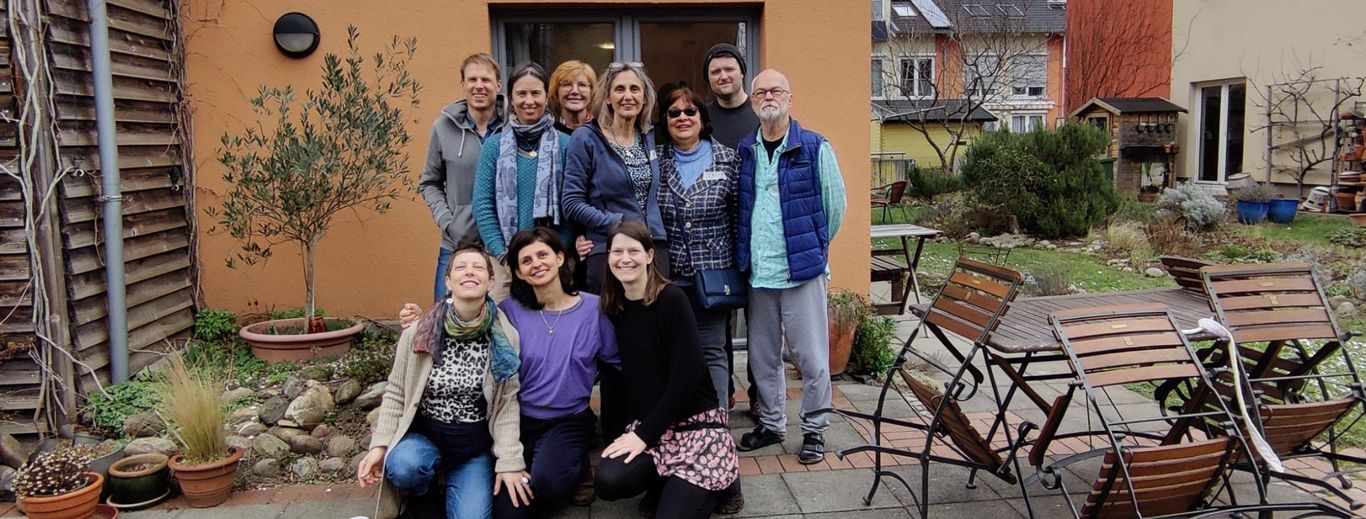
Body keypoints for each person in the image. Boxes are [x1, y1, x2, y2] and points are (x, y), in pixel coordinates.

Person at [357, 244, 527, 519]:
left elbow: (507, 404)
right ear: (448, 281)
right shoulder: (419, 330)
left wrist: (509, 460)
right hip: (424, 439)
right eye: (460, 267)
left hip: (472, 448)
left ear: (490, 281)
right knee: (404, 467)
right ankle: (423, 492)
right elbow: (397, 393)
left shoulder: (505, 338)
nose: (469, 272)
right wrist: (380, 445)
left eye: (478, 267)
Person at [734, 69, 846, 465]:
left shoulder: (815, 147)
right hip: (759, 273)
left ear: (790, 97)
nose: (768, 96)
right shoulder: (746, 150)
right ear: (752, 102)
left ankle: (814, 429)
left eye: (775, 90)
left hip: (801, 272)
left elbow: (835, 209)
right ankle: (772, 423)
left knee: (811, 357)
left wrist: (812, 251)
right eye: (760, 91)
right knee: (763, 357)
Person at [594, 220, 741, 519]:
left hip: (696, 423)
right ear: (608, 257)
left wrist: (644, 435)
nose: (625, 258)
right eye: (617, 251)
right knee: (608, 482)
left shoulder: (671, 299)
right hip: (654, 426)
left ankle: (724, 482)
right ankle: (666, 479)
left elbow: (687, 378)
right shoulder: (614, 306)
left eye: (633, 250)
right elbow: (619, 378)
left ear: (649, 255)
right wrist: (624, 434)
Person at [494, 228, 621, 518]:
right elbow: (467, 317)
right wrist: (419, 319)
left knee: (548, 483)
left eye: (542, 254)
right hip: (518, 420)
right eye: (526, 261)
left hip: (569, 418)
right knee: (508, 508)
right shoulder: (508, 312)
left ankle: (575, 466)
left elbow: (618, 362)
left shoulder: (593, 308)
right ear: (518, 272)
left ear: (560, 257)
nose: (536, 263)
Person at [654, 85, 739, 411]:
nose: (682, 118)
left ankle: (717, 423)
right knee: (669, 352)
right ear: (665, 119)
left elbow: (737, 219)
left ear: (702, 118)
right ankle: (677, 422)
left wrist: (738, 267)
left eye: (690, 111)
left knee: (713, 350)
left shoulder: (728, 160)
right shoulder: (654, 162)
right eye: (674, 112)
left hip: (714, 275)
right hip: (667, 275)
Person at [562, 61, 670, 294]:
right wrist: (617, 223)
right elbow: (571, 203)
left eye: (635, 89)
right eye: (620, 89)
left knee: (653, 325)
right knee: (612, 328)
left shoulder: (649, 137)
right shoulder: (586, 138)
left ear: (644, 98)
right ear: (608, 97)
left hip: (653, 249)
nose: (628, 96)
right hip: (610, 251)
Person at [472, 63, 572, 300]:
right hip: (505, 262)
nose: (529, 101)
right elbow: (482, 205)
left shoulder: (567, 144)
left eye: (536, 93)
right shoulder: (494, 146)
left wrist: (557, 252)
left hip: (554, 261)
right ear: (510, 98)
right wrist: (504, 256)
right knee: (506, 329)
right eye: (522, 94)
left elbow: (573, 203)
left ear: (546, 97)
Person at [420, 53, 507, 302]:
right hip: (457, 244)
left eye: (486, 80)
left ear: (498, 85)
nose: (479, 86)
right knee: (446, 319)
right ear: (463, 85)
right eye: (472, 79)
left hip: (503, 245)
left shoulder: (513, 126)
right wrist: (448, 221)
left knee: (502, 324)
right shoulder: (442, 128)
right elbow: (429, 182)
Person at [702, 44, 760, 150]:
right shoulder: (700, 117)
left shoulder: (762, 112)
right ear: (708, 80)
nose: (723, 77)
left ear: (742, 73)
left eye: (729, 69)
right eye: (715, 72)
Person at [548, 60, 597, 134]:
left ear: (591, 91)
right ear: (556, 92)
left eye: (582, 85)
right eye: (567, 84)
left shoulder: (602, 132)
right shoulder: (548, 133)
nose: (575, 91)